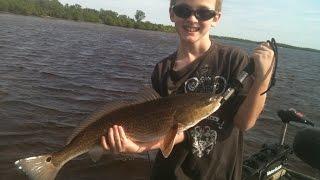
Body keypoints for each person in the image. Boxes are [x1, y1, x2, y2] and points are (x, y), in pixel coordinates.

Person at [100, 0, 275, 179]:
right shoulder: (162, 70)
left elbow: (245, 122)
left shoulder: (233, 59)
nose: (192, 18)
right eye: (183, 10)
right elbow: (164, 130)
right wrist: (136, 147)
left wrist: (263, 78)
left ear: (216, 18)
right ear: (172, 14)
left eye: (203, 13)